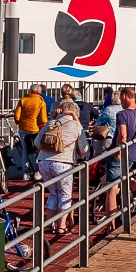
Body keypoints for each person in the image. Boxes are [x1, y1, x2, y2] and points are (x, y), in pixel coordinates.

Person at [36, 99, 85, 235]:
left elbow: (37, 143)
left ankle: (48, 224)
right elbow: (84, 147)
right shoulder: (75, 125)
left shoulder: (51, 122)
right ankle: (61, 227)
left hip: (44, 162)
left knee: (53, 193)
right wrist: (76, 120)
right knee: (65, 195)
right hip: (64, 163)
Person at [106, 87, 136, 217]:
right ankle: (134, 185)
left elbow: (122, 136)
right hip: (133, 154)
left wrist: (117, 152)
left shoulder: (122, 114)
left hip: (119, 155)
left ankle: (111, 223)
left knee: (111, 189)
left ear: (124, 97)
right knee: (116, 178)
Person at [14, 84, 48, 180]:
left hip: (23, 128)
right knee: (38, 150)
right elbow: (43, 119)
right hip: (36, 129)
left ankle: (26, 172)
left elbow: (16, 115)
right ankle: (37, 172)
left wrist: (19, 122)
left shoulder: (23, 99)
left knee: (25, 150)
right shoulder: (41, 102)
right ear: (39, 91)